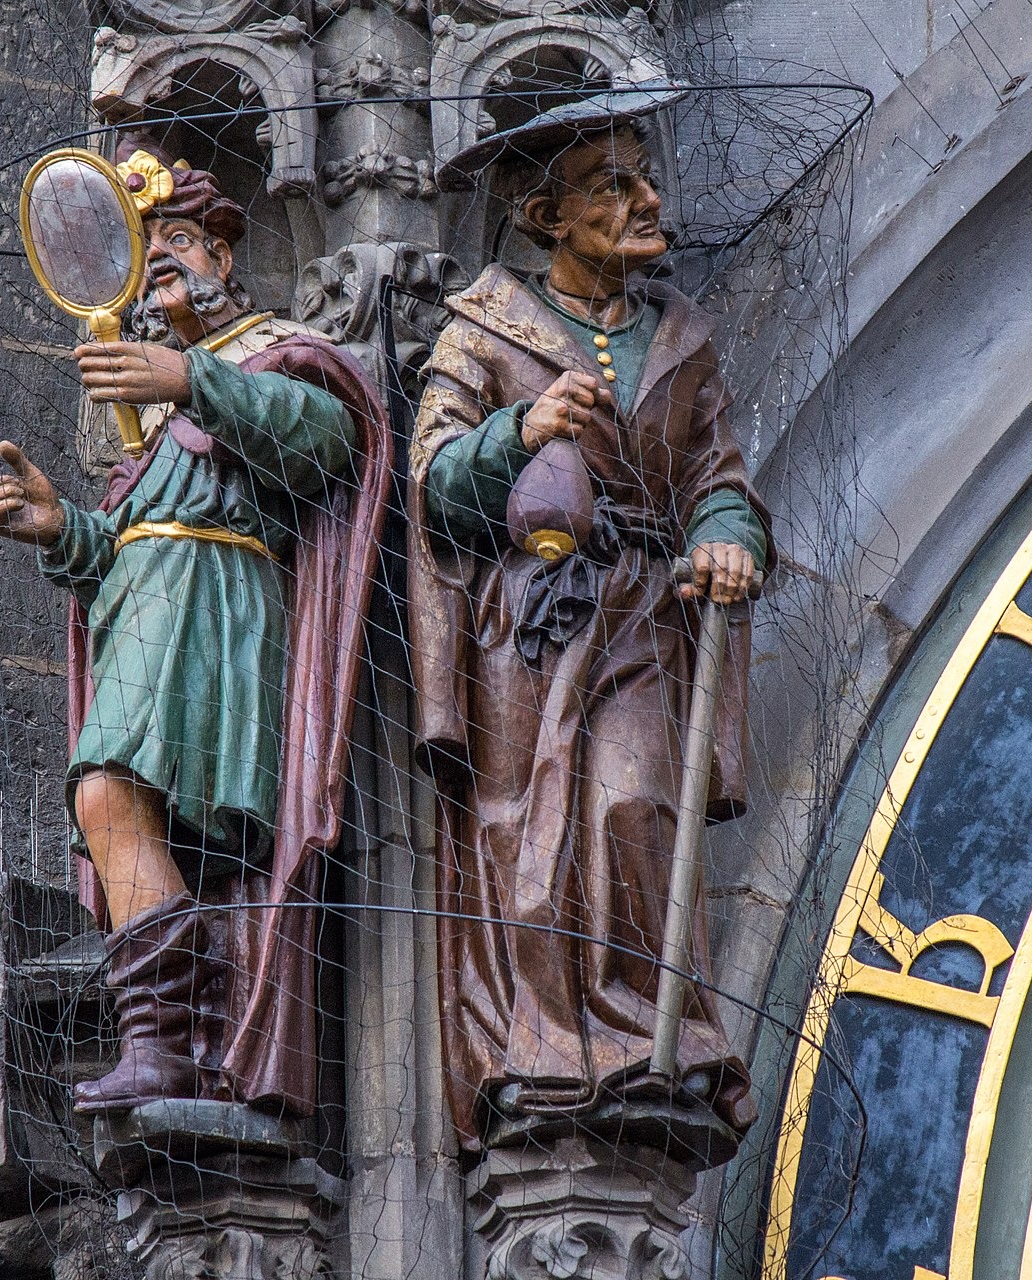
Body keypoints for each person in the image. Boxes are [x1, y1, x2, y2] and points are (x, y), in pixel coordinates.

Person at [0, 137, 389, 1116]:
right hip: (146, 615)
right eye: (140, 248)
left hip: (218, 617)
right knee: (107, 801)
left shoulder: (279, 354)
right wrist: (62, 527)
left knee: (110, 794)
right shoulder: (155, 405)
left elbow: (329, 442)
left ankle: (170, 1036)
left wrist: (191, 382)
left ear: (224, 256)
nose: (158, 261)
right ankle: (164, 1040)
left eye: (178, 240)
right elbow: (131, 543)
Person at [409, 87, 767, 1149]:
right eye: (614, 185)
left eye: (644, 177)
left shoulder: (682, 340)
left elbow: (717, 475)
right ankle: (542, 1045)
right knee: (529, 826)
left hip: (645, 612)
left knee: (634, 803)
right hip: (530, 616)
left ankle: (648, 1035)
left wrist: (727, 534)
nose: (649, 200)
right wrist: (519, 430)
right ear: (547, 218)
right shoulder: (484, 328)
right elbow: (433, 486)